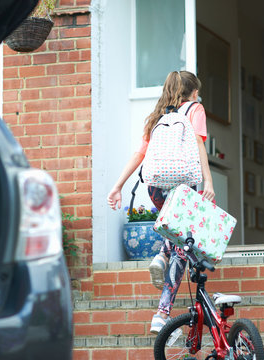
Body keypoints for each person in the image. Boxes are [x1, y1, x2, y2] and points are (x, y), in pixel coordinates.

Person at [107, 70, 215, 333]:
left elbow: (139, 154)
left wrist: (117, 185)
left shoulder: (158, 115)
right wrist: (208, 183)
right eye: (196, 90)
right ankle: (161, 313)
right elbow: (200, 146)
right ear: (192, 92)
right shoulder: (195, 109)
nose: (197, 95)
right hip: (182, 185)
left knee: (174, 234)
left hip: (155, 186)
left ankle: (160, 256)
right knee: (180, 248)